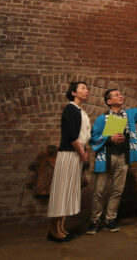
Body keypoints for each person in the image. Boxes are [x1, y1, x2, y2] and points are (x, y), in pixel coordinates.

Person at [86, 81, 137, 233]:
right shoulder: (101, 119)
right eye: (117, 95)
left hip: (123, 157)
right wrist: (109, 138)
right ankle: (95, 221)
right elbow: (93, 138)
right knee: (99, 191)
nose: (121, 96)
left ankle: (110, 219)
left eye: (120, 94)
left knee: (117, 190)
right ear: (109, 101)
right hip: (106, 157)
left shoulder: (129, 114)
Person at [46, 81, 91, 242]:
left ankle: (60, 227)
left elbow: (83, 135)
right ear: (73, 92)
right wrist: (81, 151)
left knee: (67, 192)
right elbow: (71, 135)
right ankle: (53, 230)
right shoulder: (70, 109)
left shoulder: (80, 111)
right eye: (83, 88)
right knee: (61, 191)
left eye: (87, 88)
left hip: (76, 154)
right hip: (69, 153)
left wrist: (83, 151)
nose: (86, 91)